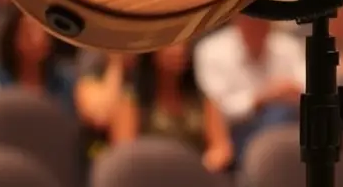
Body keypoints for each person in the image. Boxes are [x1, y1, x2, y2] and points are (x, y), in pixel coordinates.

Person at [112, 42, 233, 173]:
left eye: (183, 44)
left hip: (197, 175)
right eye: (171, 45)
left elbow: (222, 147)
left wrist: (199, 169)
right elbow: (124, 156)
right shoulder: (132, 101)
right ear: (151, 51)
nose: (179, 50)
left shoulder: (202, 99)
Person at [193, 15, 305, 155]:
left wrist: (288, 93)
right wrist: (261, 97)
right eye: (250, 22)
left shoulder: (288, 47)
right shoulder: (211, 50)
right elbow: (217, 110)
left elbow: (304, 91)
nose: (256, 28)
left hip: (289, 123)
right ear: (237, 21)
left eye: (261, 21)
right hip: (238, 131)